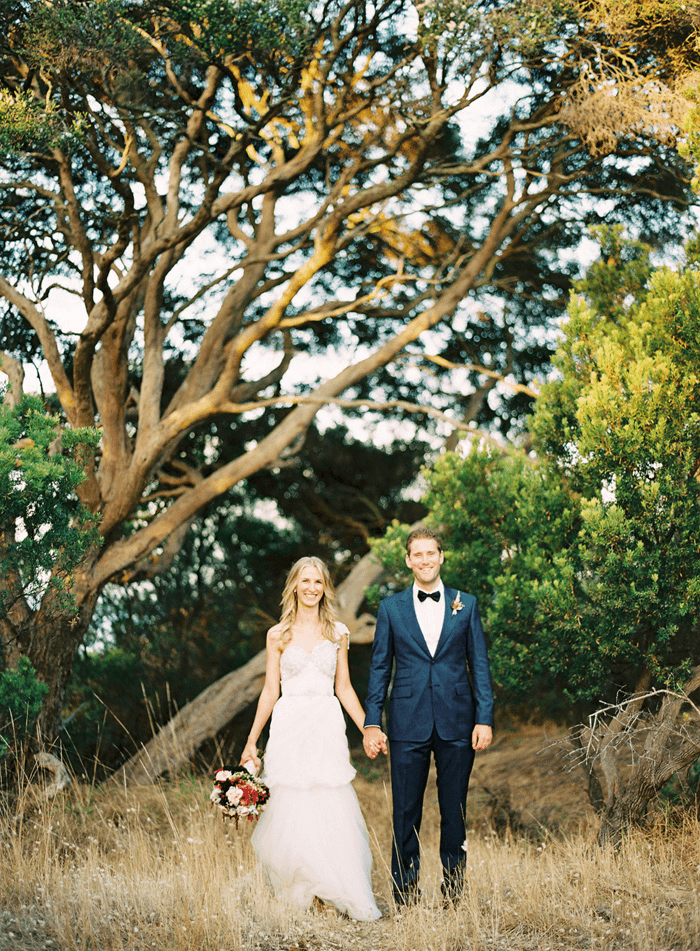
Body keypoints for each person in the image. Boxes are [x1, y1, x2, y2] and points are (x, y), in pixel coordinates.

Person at [240, 556, 383, 921]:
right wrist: (251, 741)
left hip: (325, 722)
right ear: (294, 585)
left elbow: (345, 688)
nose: (311, 588)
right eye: (305, 581)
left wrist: (369, 726)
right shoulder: (278, 634)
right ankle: (301, 887)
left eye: (317, 582)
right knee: (290, 803)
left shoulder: (338, 632)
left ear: (324, 588)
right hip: (288, 724)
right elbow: (271, 690)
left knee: (327, 799)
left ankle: (334, 886)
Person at [363, 527, 494, 905]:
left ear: (441, 556)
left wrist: (483, 717)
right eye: (416, 554)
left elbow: (479, 665)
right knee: (406, 812)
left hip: (458, 721)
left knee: (455, 811)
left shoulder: (465, 604)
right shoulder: (390, 609)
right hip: (407, 721)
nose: (424, 560)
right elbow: (379, 669)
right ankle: (405, 895)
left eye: (430, 553)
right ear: (408, 560)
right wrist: (373, 721)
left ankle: (454, 893)